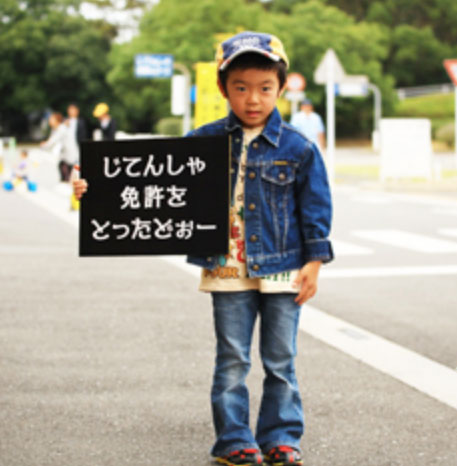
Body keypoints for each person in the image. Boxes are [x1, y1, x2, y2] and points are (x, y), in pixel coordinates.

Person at [73, 31, 333, 466]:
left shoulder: (299, 148)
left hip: (284, 267)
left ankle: (281, 437)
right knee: (232, 357)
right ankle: (234, 440)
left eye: (265, 88)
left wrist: (315, 262)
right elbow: (149, 176)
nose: (254, 99)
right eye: (242, 88)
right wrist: (94, 189)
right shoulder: (203, 141)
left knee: (280, 359)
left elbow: (315, 208)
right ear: (222, 88)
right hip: (225, 266)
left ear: (282, 89)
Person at [40, 112, 76, 183]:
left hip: (69, 155)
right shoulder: (56, 128)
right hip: (64, 155)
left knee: (67, 174)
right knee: (62, 168)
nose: (50, 121)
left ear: (57, 120)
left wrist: (45, 145)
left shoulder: (61, 128)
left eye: (51, 119)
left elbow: (53, 140)